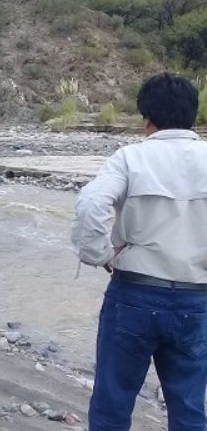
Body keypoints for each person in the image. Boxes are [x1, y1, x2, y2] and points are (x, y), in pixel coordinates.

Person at [72, 73, 207, 431]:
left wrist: (99, 254)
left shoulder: (131, 157)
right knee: (189, 407)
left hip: (134, 294)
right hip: (196, 301)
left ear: (146, 119)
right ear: (193, 115)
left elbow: (91, 205)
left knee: (112, 404)